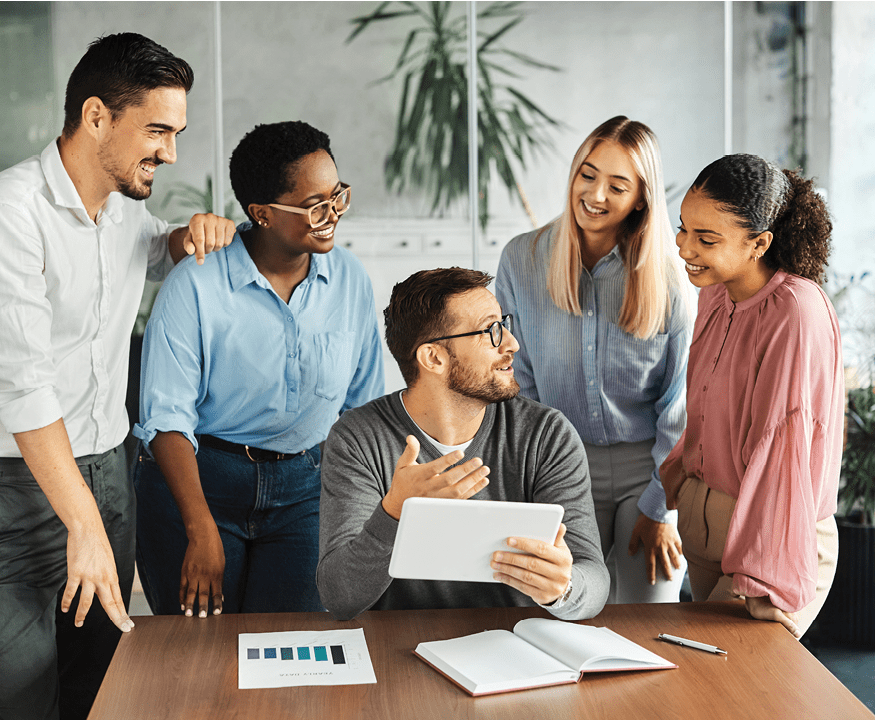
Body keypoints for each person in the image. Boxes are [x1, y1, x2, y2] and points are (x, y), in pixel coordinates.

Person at [0, 33, 235, 720]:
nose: (169, 152)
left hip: (110, 471)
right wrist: (82, 524)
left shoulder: (123, 205)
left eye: (175, 132)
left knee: (101, 682)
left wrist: (183, 237)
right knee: (21, 689)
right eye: (157, 130)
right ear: (97, 115)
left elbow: (148, 246)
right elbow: (23, 386)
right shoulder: (13, 213)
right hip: (21, 488)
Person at [133, 121, 384, 618]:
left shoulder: (350, 279)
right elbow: (166, 421)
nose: (332, 214)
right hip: (200, 483)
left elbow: (363, 405)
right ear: (261, 214)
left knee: (290, 649)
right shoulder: (196, 284)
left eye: (338, 197)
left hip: (306, 489)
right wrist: (200, 530)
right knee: (199, 654)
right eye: (315, 204)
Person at [316, 267, 610, 621]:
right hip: (398, 648)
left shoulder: (546, 434)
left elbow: (593, 577)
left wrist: (564, 589)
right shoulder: (358, 437)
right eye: (491, 331)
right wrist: (395, 511)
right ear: (434, 358)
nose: (512, 344)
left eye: (505, 324)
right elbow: (339, 596)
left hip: (515, 646)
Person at [495, 116, 693, 604]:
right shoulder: (522, 258)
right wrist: (533, 477)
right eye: (588, 174)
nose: (596, 194)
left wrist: (662, 508)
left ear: (641, 198)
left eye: (617, 185)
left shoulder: (670, 277)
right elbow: (515, 382)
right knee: (552, 613)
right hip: (559, 462)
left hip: (646, 469)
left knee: (652, 622)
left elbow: (679, 403)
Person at [662, 153, 842, 639]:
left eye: (706, 238)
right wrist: (677, 485)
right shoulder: (714, 294)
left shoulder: (796, 312)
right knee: (708, 694)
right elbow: (704, 408)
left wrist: (765, 578)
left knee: (744, 691)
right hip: (702, 525)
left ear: (759, 243)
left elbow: (783, 442)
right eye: (684, 229)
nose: (684, 248)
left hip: (771, 537)